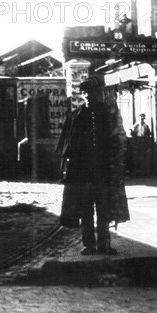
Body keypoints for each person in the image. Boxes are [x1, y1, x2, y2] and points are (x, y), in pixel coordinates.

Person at [56, 77, 130, 255]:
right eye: (86, 92)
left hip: (104, 171)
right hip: (82, 172)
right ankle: (88, 244)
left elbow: (119, 140)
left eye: (93, 92)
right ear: (82, 94)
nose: (89, 95)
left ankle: (105, 244)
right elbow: (65, 147)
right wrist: (66, 169)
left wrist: (120, 164)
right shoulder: (75, 116)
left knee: (104, 208)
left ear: (99, 94)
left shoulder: (109, 114)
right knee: (85, 209)